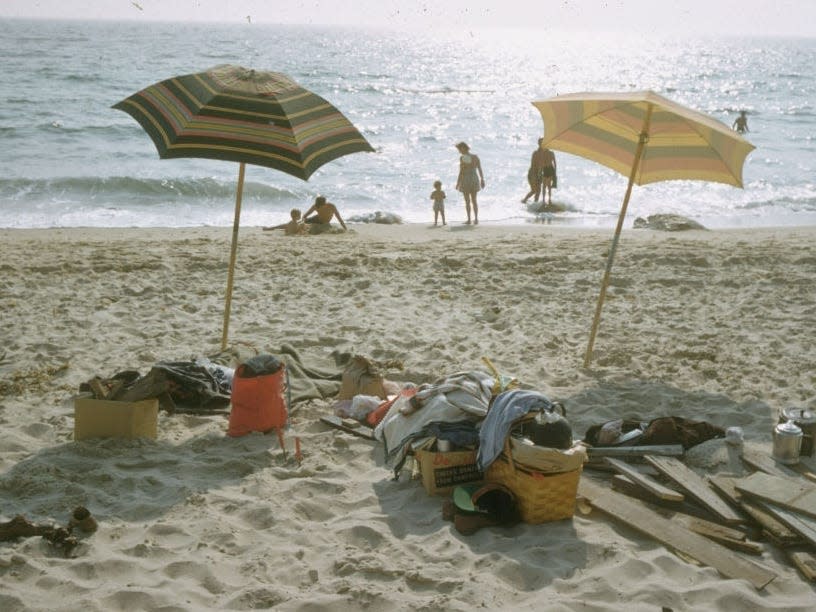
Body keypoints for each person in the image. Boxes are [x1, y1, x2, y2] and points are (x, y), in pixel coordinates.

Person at [455, 142, 485, 225]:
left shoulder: (462, 158)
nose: (459, 151)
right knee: (474, 200)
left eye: (459, 149)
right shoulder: (475, 157)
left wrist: (458, 183)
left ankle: (469, 220)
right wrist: (482, 179)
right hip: (474, 178)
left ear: (464, 148)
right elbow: (479, 169)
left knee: (467, 201)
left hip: (466, 179)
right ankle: (476, 219)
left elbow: (461, 171)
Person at [521, 138, 546, 204]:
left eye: (544, 143)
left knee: (538, 191)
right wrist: (535, 175)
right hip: (532, 173)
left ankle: (535, 204)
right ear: (539, 144)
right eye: (541, 143)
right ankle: (524, 201)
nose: (543, 144)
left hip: (539, 174)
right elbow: (533, 165)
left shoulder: (545, 153)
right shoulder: (535, 153)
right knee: (534, 190)